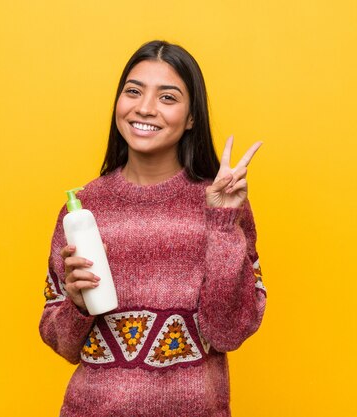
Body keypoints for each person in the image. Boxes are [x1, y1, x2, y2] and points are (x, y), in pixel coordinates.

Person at [39, 40, 267, 417]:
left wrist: (224, 224)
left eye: (167, 97)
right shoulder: (82, 208)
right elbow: (60, 343)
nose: (145, 108)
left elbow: (230, 331)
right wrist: (76, 306)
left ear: (192, 116)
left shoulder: (222, 205)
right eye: (133, 91)